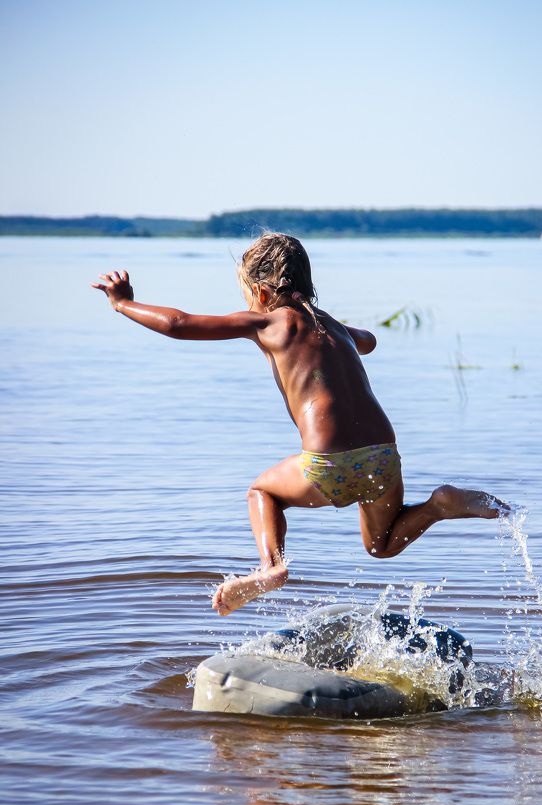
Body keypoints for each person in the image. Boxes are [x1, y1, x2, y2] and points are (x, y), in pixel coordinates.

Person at [92, 233, 508, 615]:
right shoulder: (334, 327)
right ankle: (440, 504)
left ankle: (270, 566)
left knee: (261, 491)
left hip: (328, 463)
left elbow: (178, 324)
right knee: (381, 545)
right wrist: (337, 331)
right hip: (384, 457)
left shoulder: (268, 323)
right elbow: (370, 340)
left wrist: (122, 303)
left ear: (261, 291)